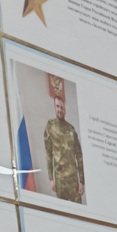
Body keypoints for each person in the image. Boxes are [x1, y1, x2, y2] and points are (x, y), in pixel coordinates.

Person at [43, 75, 85, 203]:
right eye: (57, 106)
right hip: (60, 181)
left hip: (73, 181)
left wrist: (81, 181)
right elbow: (48, 154)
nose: (59, 110)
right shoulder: (50, 127)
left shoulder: (71, 130)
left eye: (61, 107)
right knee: (63, 210)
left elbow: (79, 156)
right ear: (54, 107)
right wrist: (51, 179)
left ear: (65, 109)